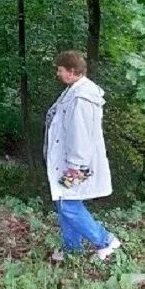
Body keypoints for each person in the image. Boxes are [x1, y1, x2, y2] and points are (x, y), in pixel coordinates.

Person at [43, 50, 121, 262]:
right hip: (73, 162)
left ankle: (105, 240)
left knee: (67, 204)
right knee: (64, 201)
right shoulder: (74, 92)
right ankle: (72, 249)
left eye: (60, 70)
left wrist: (75, 166)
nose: (58, 74)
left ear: (72, 71)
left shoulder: (82, 98)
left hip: (77, 163)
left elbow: (81, 134)